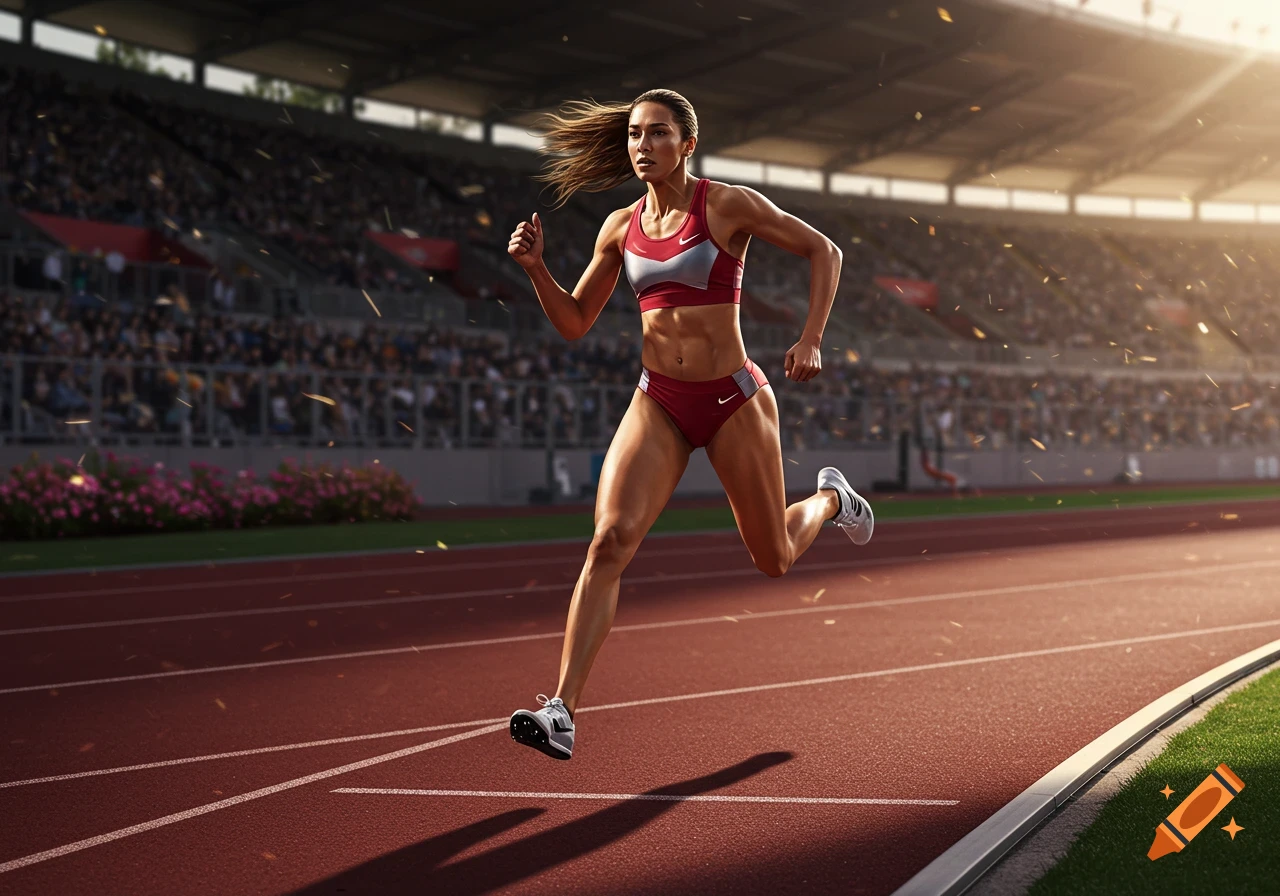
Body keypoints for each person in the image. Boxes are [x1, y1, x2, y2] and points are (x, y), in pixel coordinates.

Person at [506, 89, 873, 760]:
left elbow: (825, 251)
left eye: (657, 134)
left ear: (687, 144)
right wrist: (535, 270)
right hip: (660, 401)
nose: (642, 145)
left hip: (734, 400)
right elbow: (573, 323)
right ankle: (562, 710)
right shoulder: (618, 226)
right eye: (634, 135)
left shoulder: (725, 205)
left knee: (774, 560)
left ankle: (829, 498)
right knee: (608, 542)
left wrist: (812, 337)